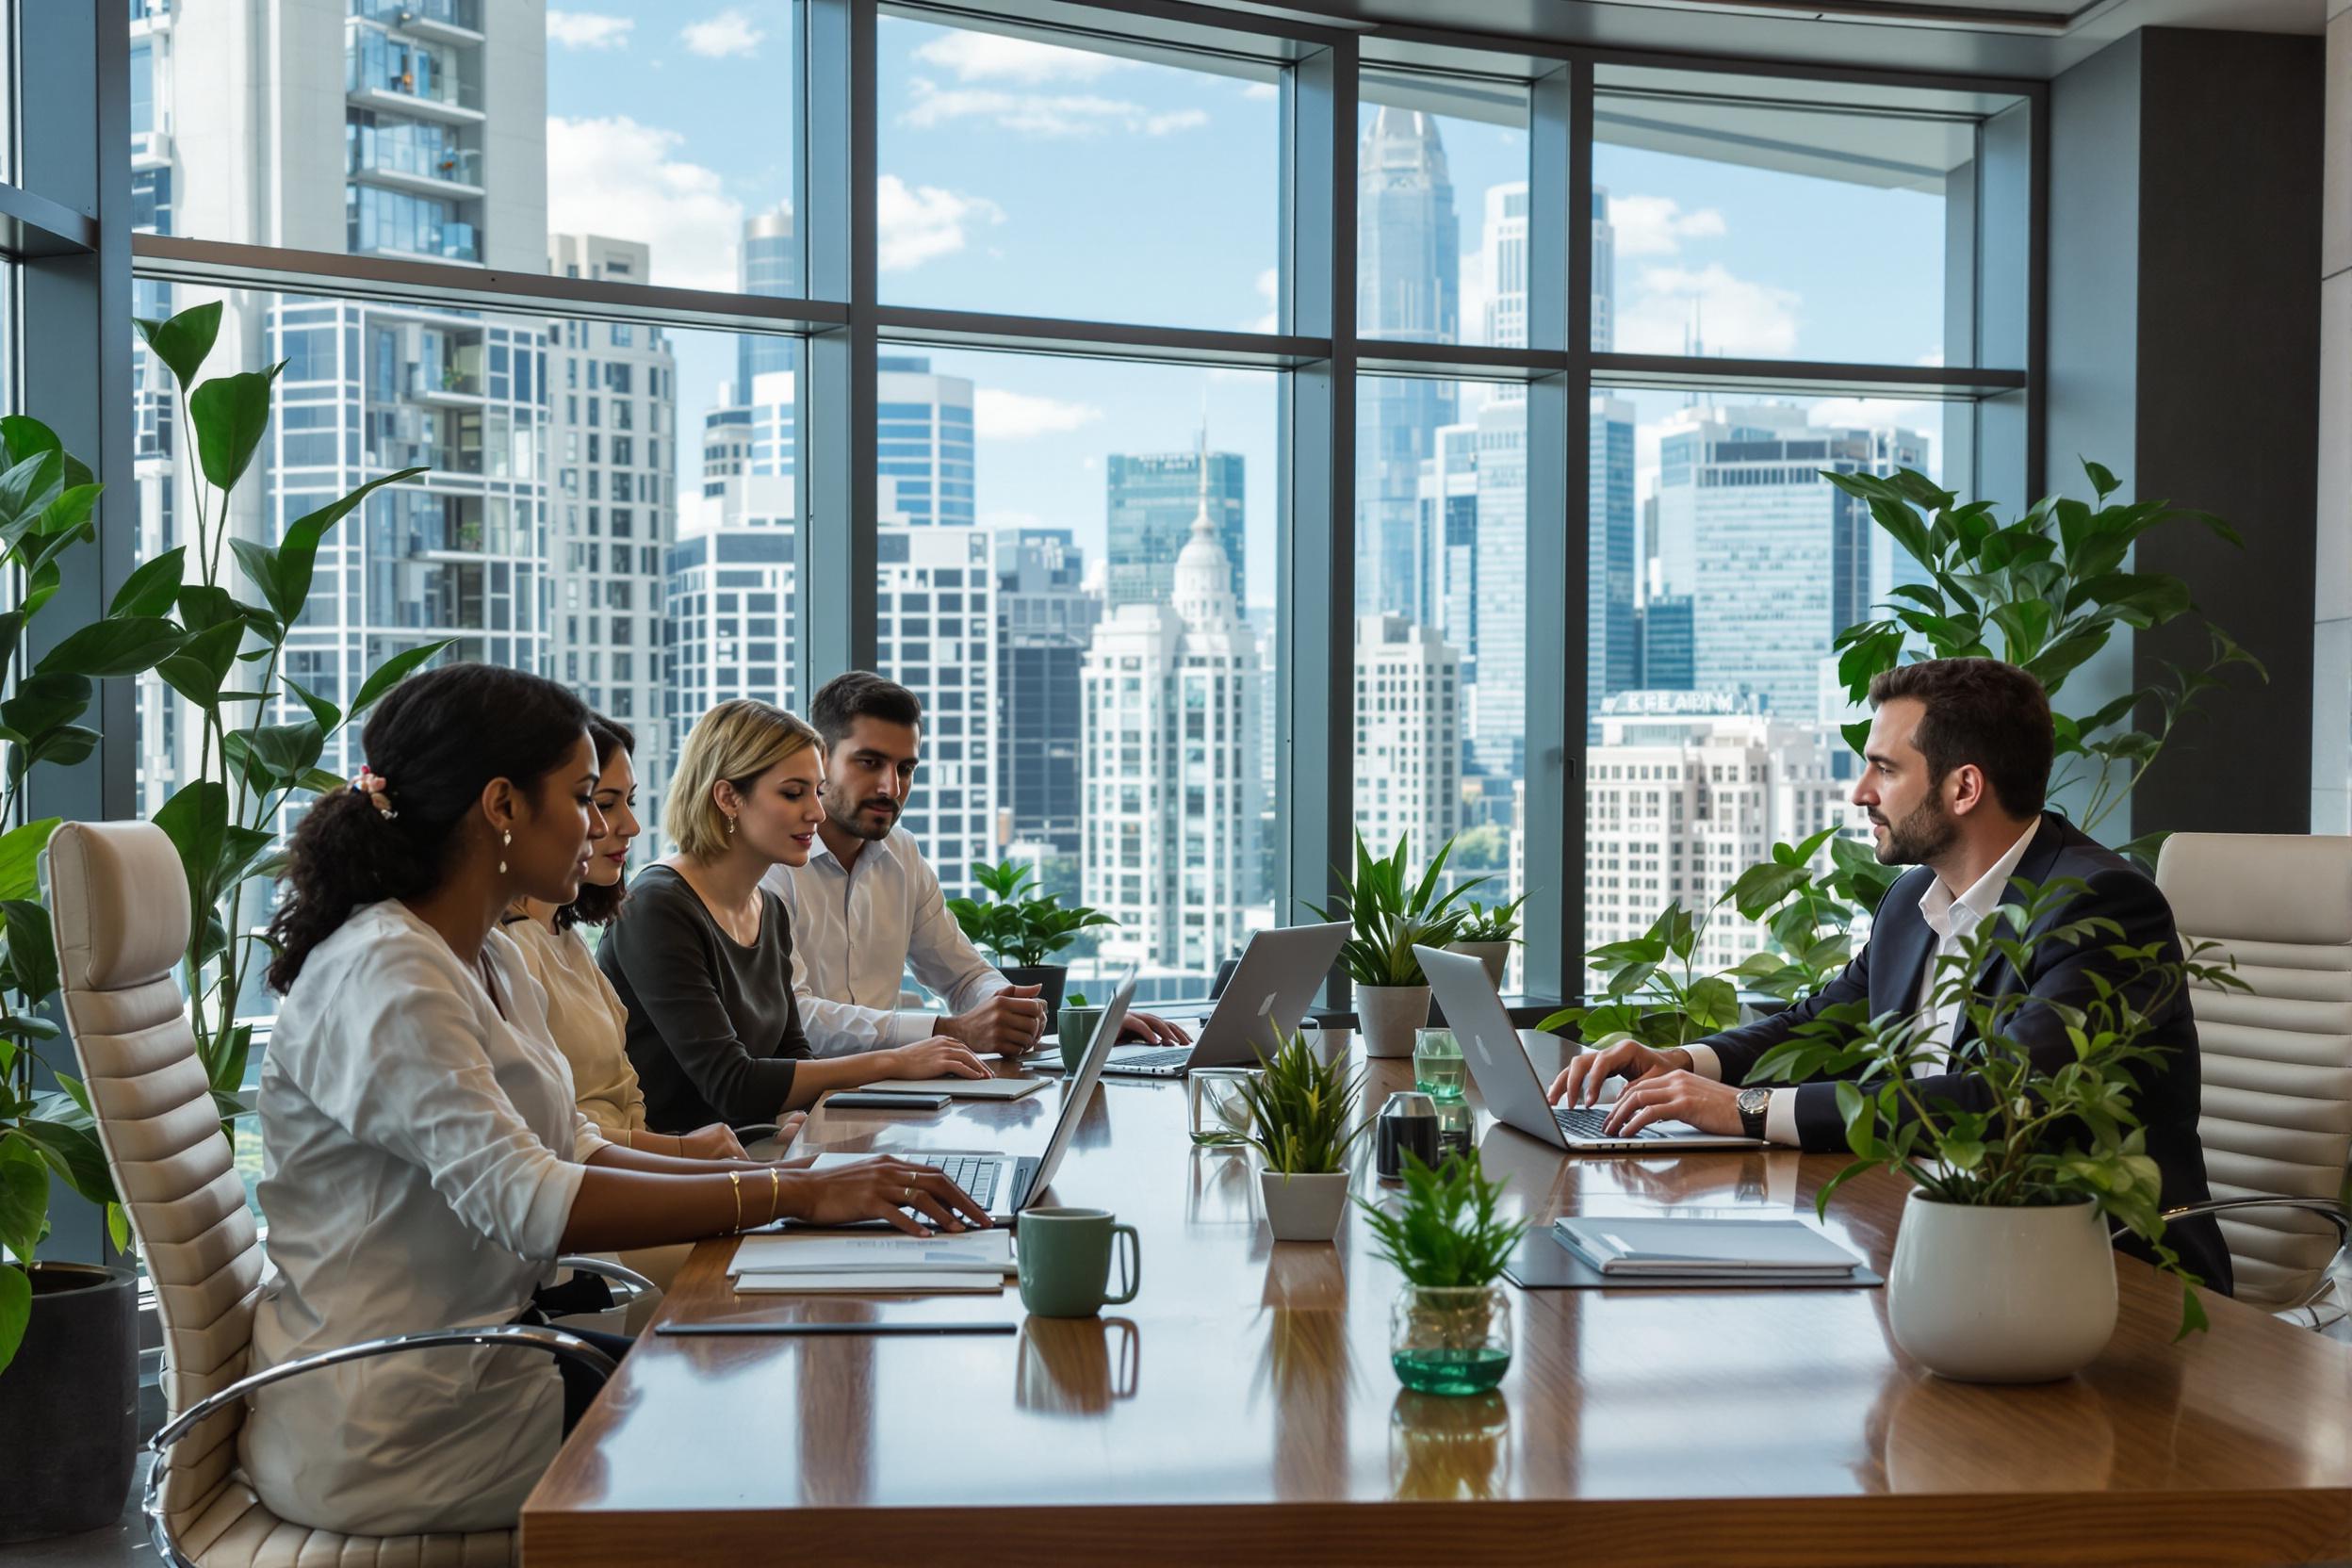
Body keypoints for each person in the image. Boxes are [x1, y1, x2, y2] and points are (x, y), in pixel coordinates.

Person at [245, 663, 987, 1536]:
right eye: (583, 797)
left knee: (780, 1381)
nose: (603, 826)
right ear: (502, 807)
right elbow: (532, 1201)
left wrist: (789, 1191)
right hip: (398, 1420)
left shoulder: (490, 957)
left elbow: (573, 1146)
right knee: (779, 1451)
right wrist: (789, 1193)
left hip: (486, 1362)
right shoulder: (389, 975)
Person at [1548, 657, 2230, 1293]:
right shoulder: (1912, 900)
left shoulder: (2098, 903)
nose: (1859, 793)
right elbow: (1823, 1018)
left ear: (1964, 787)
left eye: (1885, 769)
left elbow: (2006, 1100)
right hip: (1924, 1238)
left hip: (2090, 1269)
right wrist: (1685, 1062)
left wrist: (1748, 1110)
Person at [601, 696, 988, 1132]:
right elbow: (731, 1083)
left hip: (752, 1152)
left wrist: (797, 1126)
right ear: (728, 797)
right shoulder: (658, 905)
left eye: (817, 791)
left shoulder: (767, 910)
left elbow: (793, 1054)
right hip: (676, 1172)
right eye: (793, 793)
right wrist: (894, 1060)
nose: (817, 812)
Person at [765, 670, 1189, 1058]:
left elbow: (965, 978)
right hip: (798, 1106)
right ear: (821, 759)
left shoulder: (902, 853)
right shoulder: (772, 862)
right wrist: (950, 1030)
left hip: (884, 1099)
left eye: (906, 768)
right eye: (870, 763)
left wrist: (1036, 1019)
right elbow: (796, 1016)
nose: (890, 787)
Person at [504, 712, 792, 1162]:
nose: (622, 826)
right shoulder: (506, 949)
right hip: (596, 1187)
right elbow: (546, 1138)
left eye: (628, 803)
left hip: (634, 1171)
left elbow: (625, 1101)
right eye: (596, 802)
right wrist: (684, 1155)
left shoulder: (563, 936)